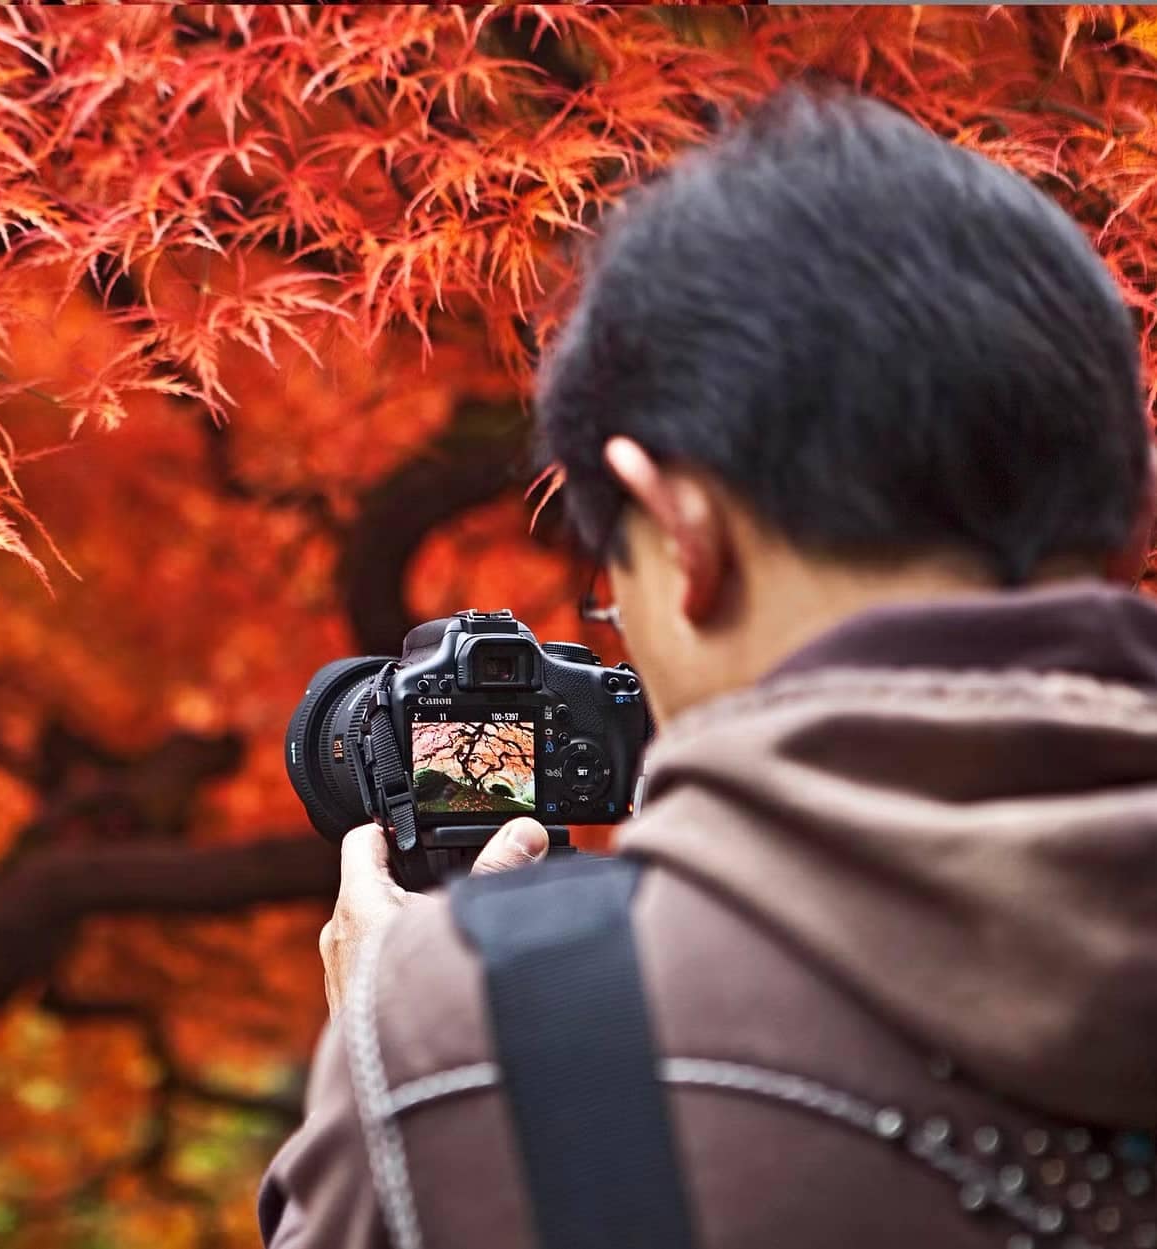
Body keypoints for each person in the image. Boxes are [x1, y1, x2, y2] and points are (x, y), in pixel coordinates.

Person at [259, 85, 1157, 1249]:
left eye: (609, 585)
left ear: (681, 536)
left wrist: (396, 1074)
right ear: (1131, 520)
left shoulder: (498, 1044)